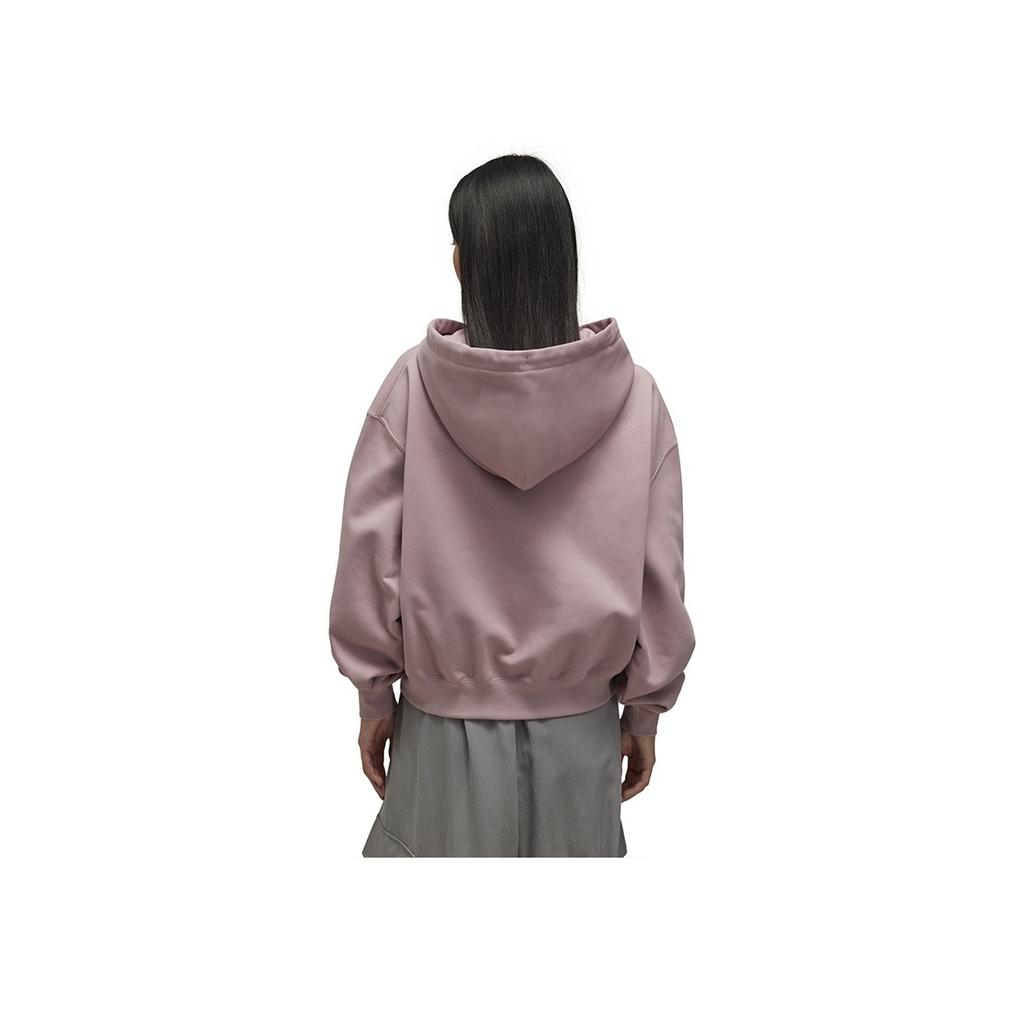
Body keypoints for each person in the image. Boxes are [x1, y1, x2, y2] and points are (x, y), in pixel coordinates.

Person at [328, 154, 695, 857]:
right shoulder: (637, 397)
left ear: (463, 264)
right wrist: (646, 710)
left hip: (442, 730)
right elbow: (660, 575)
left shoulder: (413, 386)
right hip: (581, 735)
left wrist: (374, 697)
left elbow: (368, 556)